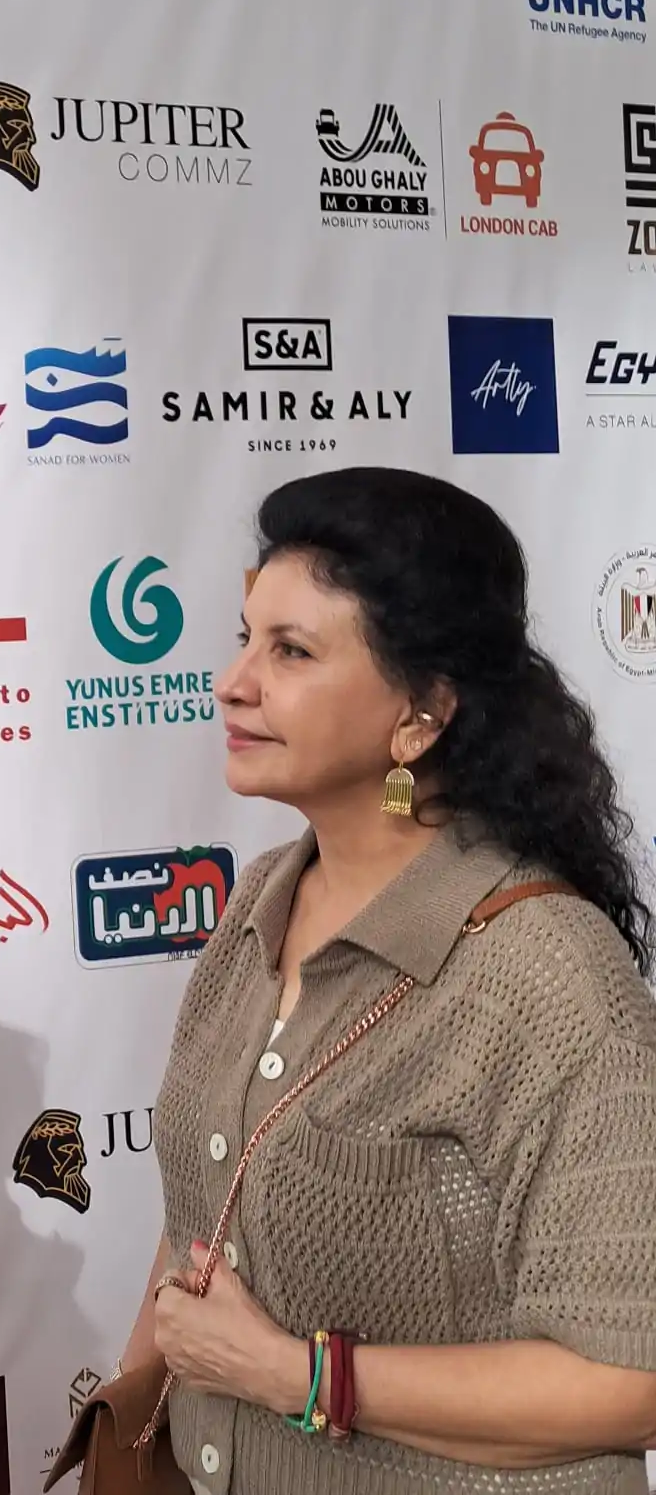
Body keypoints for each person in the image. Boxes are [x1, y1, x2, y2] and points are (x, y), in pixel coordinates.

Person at [116, 469, 656, 1494]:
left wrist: (297, 1375)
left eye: (291, 651)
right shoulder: (257, 900)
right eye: (244, 638)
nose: (232, 682)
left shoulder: (547, 976)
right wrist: (131, 1416)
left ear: (421, 716)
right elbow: (201, 1218)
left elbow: (633, 1382)